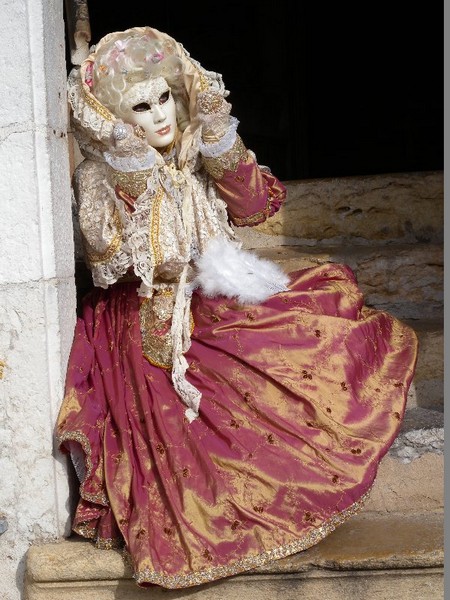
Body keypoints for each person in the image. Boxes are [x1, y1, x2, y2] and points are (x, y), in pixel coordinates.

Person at [56, 26, 418, 589]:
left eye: (165, 99)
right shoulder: (104, 174)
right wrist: (133, 169)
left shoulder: (192, 149)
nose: (158, 118)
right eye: (139, 108)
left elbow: (253, 205)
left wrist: (220, 137)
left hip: (206, 297)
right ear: (115, 120)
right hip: (144, 319)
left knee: (317, 316)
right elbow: (115, 257)